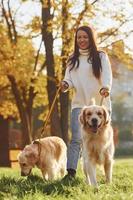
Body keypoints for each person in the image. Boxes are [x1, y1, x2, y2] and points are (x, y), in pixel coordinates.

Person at [60, 25, 112, 179]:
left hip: (100, 104)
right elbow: (68, 79)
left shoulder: (101, 56)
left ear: (91, 38)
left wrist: (105, 87)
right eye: (79, 37)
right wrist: (65, 85)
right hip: (79, 105)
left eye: (85, 37)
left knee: (102, 138)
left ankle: (105, 169)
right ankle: (71, 173)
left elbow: (107, 75)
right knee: (76, 138)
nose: (82, 40)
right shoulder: (72, 58)